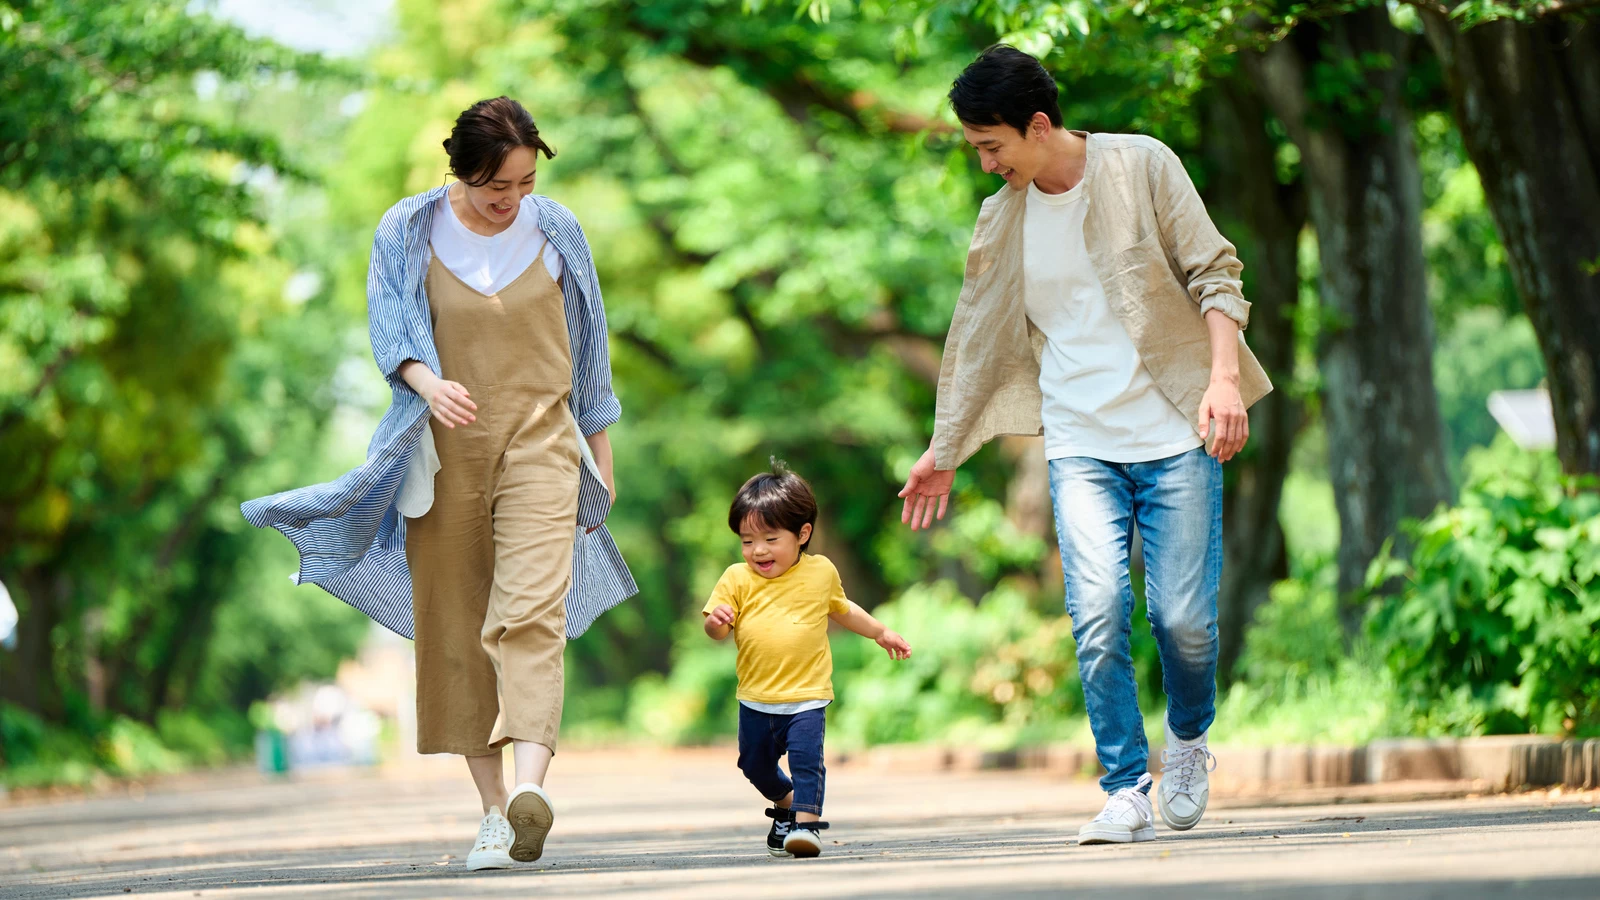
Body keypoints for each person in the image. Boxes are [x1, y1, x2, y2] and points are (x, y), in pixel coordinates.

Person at [241, 96, 636, 870]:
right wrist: (427, 382)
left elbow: (592, 354)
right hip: (439, 451)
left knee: (531, 614)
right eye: (498, 187)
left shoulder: (558, 231)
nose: (512, 200)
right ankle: (493, 815)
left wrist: (602, 458)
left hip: (542, 445)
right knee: (455, 627)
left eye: (525, 183)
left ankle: (532, 791)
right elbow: (389, 328)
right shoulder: (407, 228)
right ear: (460, 172)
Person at [897, 47, 1273, 844]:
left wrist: (1223, 381)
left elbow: (1216, 274)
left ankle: (1189, 739)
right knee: (1098, 612)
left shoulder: (1142, 166)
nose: (986, 163)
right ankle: (1125, 785)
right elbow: (973, 337)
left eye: (992, 145)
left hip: (1175, 429)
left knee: (1184, 621)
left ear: (1038, 126)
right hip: (1079, 443)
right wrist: (946, 446)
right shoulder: (1004, 215)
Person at [703, 466, 912, 858]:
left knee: (806, 761)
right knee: (753, 765)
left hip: (807, 696)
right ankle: (785, 806)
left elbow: (844, 610)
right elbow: (715, 630)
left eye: (770, 539)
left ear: (802, 534)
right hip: (756, 697)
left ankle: (806, 825)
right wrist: (716, 624)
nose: (758, 551)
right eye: (747, 541)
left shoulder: (821, 572)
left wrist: (880, 632)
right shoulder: (736, 578)